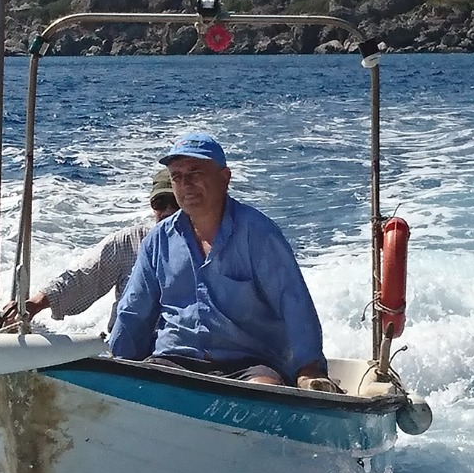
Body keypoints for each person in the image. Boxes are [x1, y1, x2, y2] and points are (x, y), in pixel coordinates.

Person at [109, 132, 337, 391]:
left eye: (195, 173)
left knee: (262, 389)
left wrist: (308, 369)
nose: (185, 184)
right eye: (177, 177)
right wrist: (116, 366)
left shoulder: (259, 234)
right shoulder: (158, 240)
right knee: (146, 387)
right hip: (174, 361)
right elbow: (134, 311)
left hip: (249, 364)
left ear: (225, 178)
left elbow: (294, 304)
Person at [3, 168, 179, 329]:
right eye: (160, 203)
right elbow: (82, 278)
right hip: (130, 349)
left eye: (176, 203)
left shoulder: (197, 252)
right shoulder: (128, 242)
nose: (168, 211)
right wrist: (36, 304)